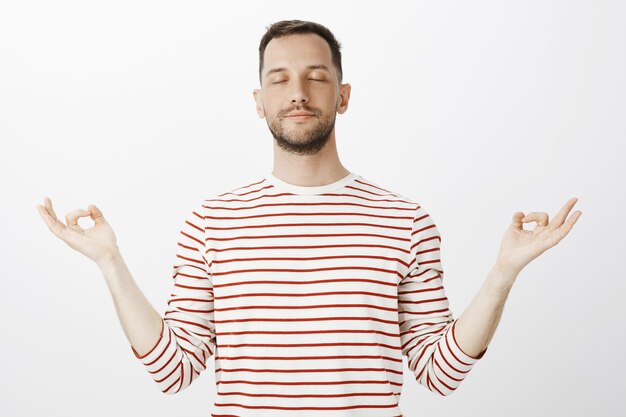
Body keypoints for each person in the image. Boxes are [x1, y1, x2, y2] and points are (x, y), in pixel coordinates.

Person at [36, 19, 582, 417]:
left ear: (342, 96)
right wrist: (109, 262)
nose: (297, 93)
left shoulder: (405, 220)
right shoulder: (212, 221)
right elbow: (173, 369)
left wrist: (505, 271)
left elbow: (439, 373)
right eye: (279, 79)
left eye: (316, 77)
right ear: (258, 100)